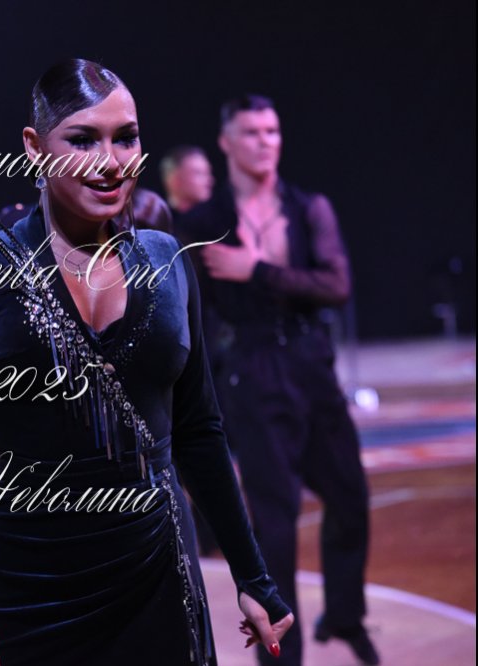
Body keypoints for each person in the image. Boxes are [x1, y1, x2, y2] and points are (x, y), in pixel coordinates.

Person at [0, 60, 293, 666]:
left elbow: (199, 431)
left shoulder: (168, 260)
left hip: (160, 580)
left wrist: (253, 575)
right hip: (23, 593)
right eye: (83, 139)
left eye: (126, 137)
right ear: (34, 147)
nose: (111, 161)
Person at [176, 95, 378, 666]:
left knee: (351, 498)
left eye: (272, 131)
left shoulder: (308, 208)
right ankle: (280, 659)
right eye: (252, 132)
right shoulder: (204, 223)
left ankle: (343, 614)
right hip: (252, 374)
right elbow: (192, 311)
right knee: (275, 527)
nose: (265, 142)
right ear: (226, 142)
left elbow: (337, 285)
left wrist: (258, 270)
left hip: (312, 366)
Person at [160, 145, 215, 220]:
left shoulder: (216, 219)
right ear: (175, 180)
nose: (210, 181)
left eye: (208, 173)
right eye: (199, 173)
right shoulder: (158, 221)